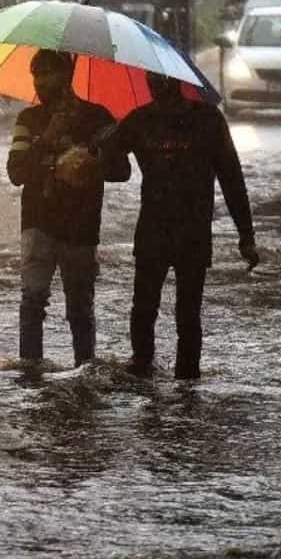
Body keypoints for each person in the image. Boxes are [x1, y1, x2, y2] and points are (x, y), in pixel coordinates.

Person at [104, 71, 259, 381]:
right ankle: (143, 371)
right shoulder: (138, 120)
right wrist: (104, 143)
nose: (156, 85)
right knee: (145, 308)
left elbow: (231, 177)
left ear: (177, 81)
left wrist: (246, 234)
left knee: (187, 315)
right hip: (154, 231)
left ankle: (186, 381)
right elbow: (109, 162)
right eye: (152, 80)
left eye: (160, 80)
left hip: (192, 232)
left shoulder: (208, 120)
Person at [7, 49, 131, 367]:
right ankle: (31, 373)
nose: (41, 82)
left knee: (79, 307)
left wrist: (90, 162)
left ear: (67, 76)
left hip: (81, 226)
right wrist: (47, 139)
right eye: (36, 75)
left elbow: (122, 170)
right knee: (33, 301)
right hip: (38, 224)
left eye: (48, 74)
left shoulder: (98, 118)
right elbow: (16, 172)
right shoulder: (29, 120)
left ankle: (84, 369)